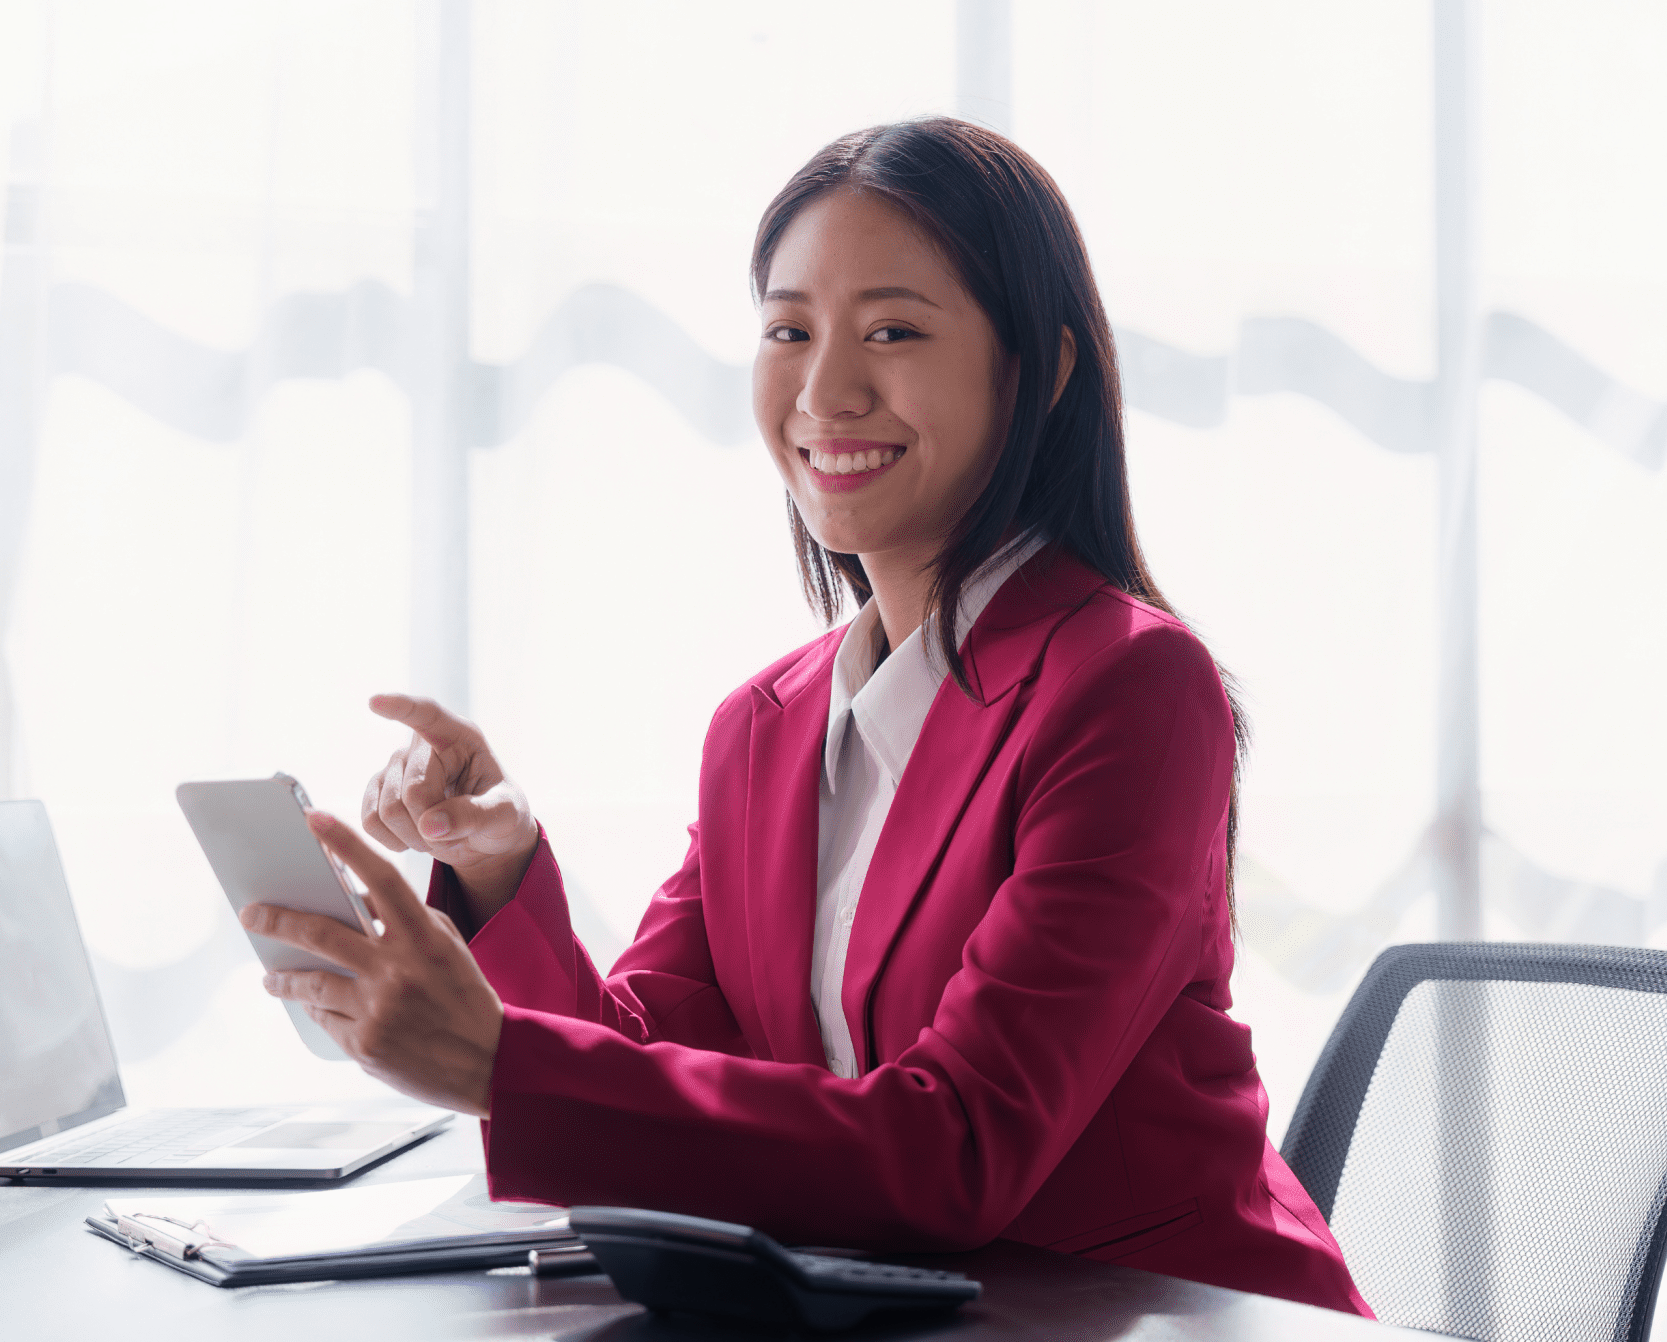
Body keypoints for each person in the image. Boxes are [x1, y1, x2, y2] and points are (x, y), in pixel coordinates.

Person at [242, 117, 1371, 1316]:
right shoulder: (762, 725)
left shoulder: (1129, 686)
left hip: (1163, 1315)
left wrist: (501, 1068)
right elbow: (646, 1065)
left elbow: (962, 1148)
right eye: (789, 331)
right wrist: (495, 866)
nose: (826, 390)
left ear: (1038, 372)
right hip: (909, 1310)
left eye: (893, 331)